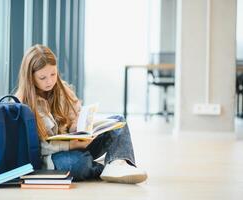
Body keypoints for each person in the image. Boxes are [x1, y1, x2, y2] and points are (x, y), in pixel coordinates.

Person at [15, 44, 147, 184]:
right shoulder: (23, 104)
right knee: (77, 163)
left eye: (53, 74)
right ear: (30, 77)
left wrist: (76, 127)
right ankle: (104, 167)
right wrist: (70, 146)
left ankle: (118, 164)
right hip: (52, 157)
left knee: (117, 121)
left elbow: (73, 118)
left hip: (78, 145)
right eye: (43, 77)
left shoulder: (62, 90)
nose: (50, 81)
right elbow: (38, 147)